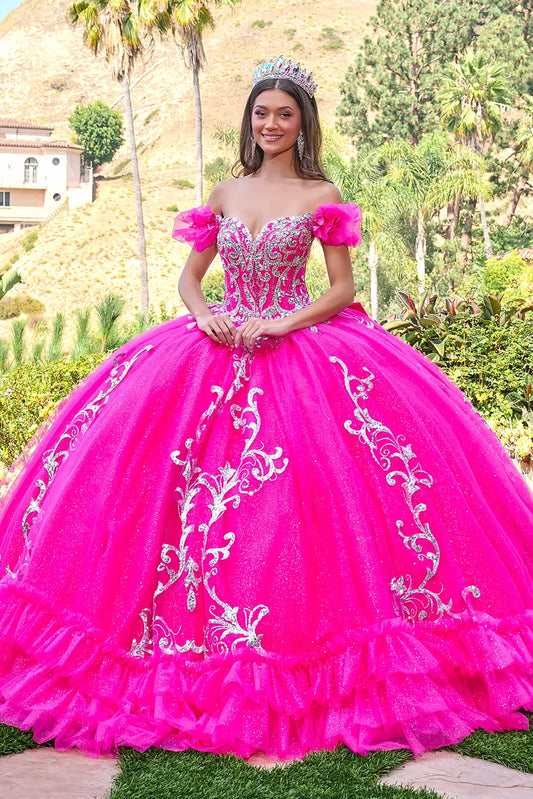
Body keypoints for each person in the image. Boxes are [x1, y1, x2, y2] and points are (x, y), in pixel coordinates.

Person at [0, 55, 532, 762]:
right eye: (261, 112)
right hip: (213, 345)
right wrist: (204, 316)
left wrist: (285, 323)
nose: (270, 123)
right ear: (249, 120)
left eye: (283, 113)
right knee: (159, 490)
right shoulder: (224, 192)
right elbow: (191, 280)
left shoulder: (323, 194)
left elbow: (341, 290)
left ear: (301, 120)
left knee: (309, 504)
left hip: (299, 347)